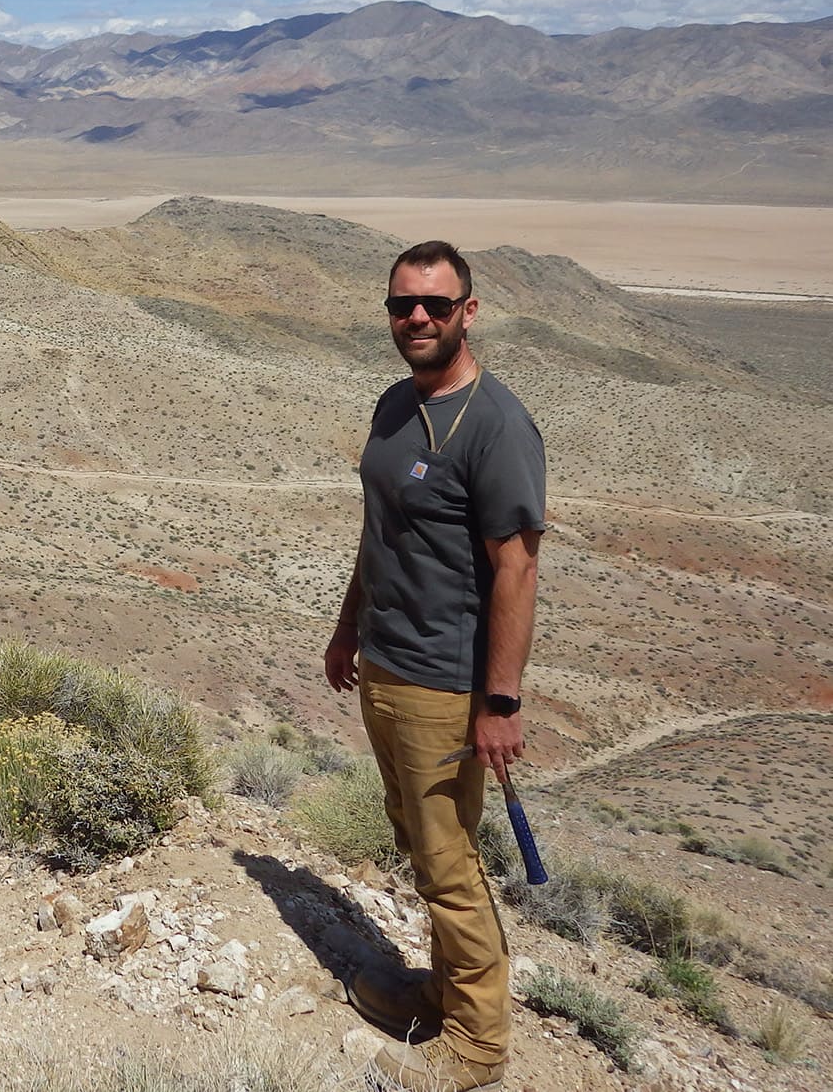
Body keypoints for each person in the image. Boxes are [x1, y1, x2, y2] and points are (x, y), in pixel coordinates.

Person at [324, 241, 546, 1092]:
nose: (415, 318)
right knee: (417, 842)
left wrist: (499, 700)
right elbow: (379, 532)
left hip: (443, 684)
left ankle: (478, 1046)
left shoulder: (496, 425)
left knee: (448, 861)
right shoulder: (394, 405)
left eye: (434, 305)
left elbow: (517, 567)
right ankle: (441, 990)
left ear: (469, 311)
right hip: (384, 662)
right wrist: (348, 629)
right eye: (400, 305)